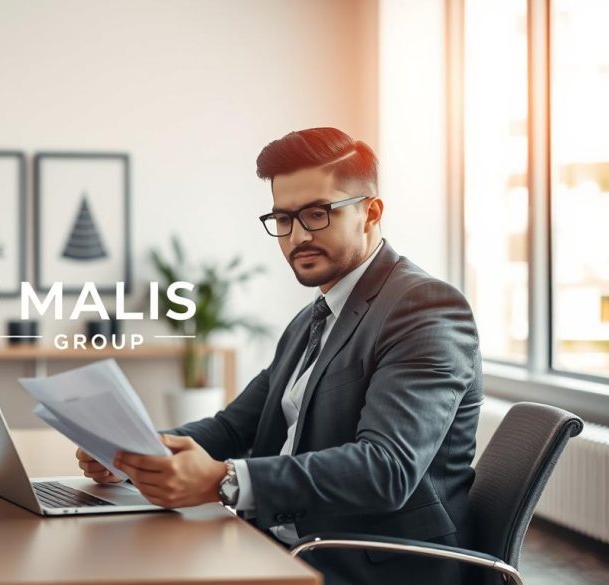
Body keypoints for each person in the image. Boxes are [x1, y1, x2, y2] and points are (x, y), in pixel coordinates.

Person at [76, 127, 483, 585]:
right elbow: (233, 427)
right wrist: (135, 451)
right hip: (283, 540)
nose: (296, 236)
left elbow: (385, 468)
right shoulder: (313, 318)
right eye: (283, 219)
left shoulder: (422, 307)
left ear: (370, 212)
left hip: (372, 563)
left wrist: (224, 480)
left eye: (316, 214)